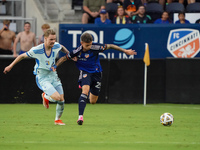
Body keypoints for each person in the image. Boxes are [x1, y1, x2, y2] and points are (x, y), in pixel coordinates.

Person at [53, 32, 137, 125]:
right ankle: (80, 117)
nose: (89, 46)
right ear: (81, 43)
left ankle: (86, 95)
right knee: (85, 91)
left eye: (90, 44)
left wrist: (125, 51)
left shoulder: (96, 47)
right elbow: (64, 58)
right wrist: (55, 66)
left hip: (97, 74)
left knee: (93, 101)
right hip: (85, 73)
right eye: (87, 45)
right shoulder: (77, 51)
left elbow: (111, 46)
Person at [3, 29, 70, 125]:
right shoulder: (37, 50)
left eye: (54, 39)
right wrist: (10, 66)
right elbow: (21, 56)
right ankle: (45, 96)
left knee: (62, 100)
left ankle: (57, 120)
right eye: (51, 39)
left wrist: (69, 54)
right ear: (45, 39)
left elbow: (62, 47)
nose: (53, 41)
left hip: (53, 75)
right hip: (42, 77)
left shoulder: (55, 45)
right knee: (57, 97)